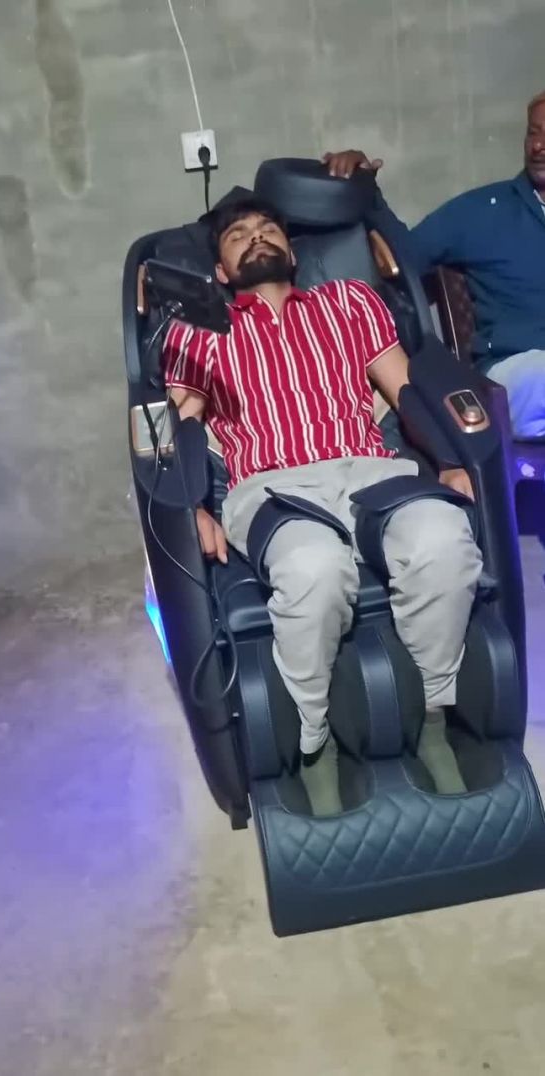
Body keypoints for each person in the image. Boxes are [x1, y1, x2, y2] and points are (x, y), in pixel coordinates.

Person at [160, 197, 483, 816]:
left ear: (291, 250)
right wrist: (190, 505)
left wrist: (447, 460)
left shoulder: (351, 302)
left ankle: (433, 717)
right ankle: (315, 741)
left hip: (368, 470)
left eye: (268, 228)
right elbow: (182, 427)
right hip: (270, 486)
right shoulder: (197, 330)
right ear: (221, 270)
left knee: (444, 541)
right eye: (238, 235)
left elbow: (405, 391)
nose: (257, 237)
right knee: (314, 570)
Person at [322, 91, 545, 439]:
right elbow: (403, 257)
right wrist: (367, 191)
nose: (538, 146)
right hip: (518, 374)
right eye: (533, 133)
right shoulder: (484, 210)